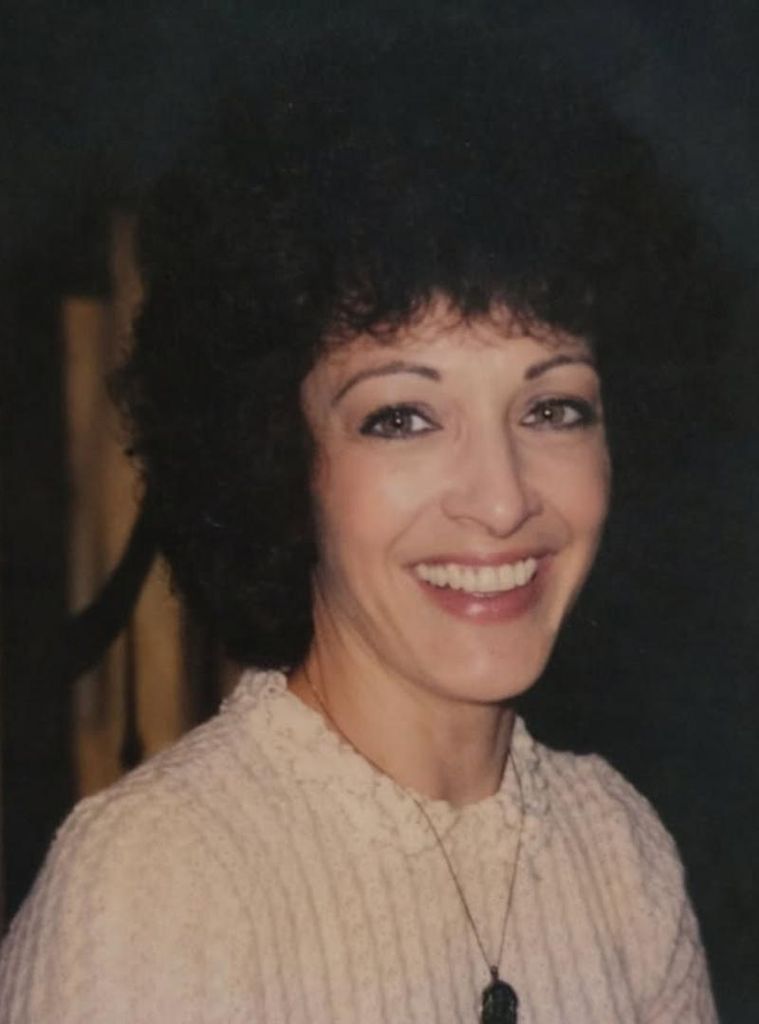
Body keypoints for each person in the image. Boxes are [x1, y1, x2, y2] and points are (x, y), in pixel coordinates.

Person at [0, 17, 719, 1023]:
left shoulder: (619, 852)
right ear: (279, 454)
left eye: (553, 407)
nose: (501, 498)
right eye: (402, 417)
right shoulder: (157, 885)